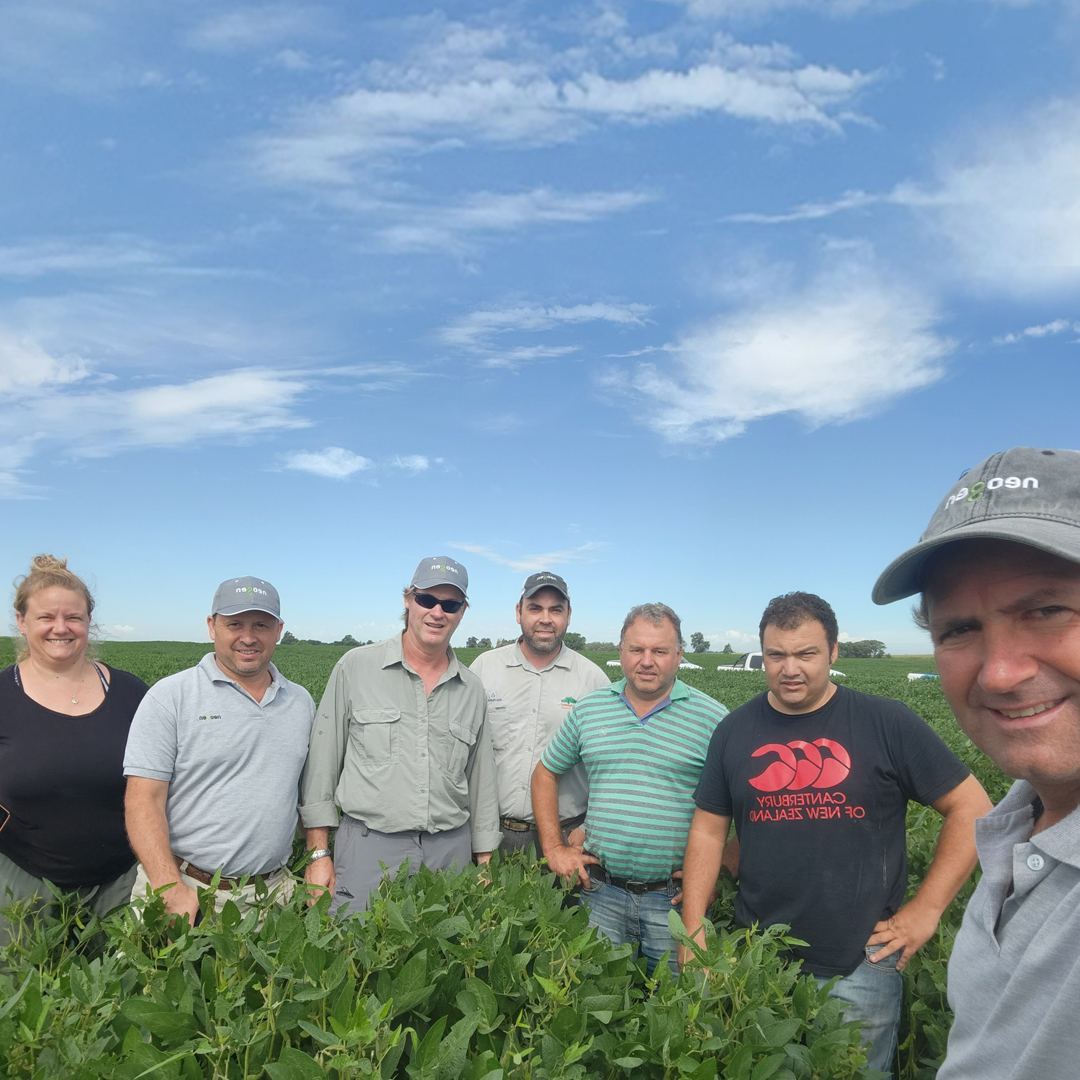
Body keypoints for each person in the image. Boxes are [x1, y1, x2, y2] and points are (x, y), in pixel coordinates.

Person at [681, 591, 991, 1076]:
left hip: (861, 959)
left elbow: (972, 807)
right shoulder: (734, 731)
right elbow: (707, 831)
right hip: (760, 956)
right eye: (777, 655)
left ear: (834, 651)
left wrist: (926, 910)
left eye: (806, 653)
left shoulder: (886, 722)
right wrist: (695, 925)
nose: (790, 669)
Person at [872, 446, 1080, 1079]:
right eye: (958, 630)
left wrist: (925, 907)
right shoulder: (1018, 826)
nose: (1000, 672)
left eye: (1045, 611)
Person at [532, 602, 729, 974]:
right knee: (595, 1008)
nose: (647, 660)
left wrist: (720, 874)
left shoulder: (713, 719)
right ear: (620, 651)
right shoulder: (590, 710)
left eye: (660, 651)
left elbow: (747, 807)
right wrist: (554, 847)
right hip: (599, 895)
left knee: (679, 1014)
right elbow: (545, 772)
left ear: (679, 655)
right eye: (637, 649)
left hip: (673, 904)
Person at [300, 557, 501, 914]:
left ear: (462, 612)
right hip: (368, 847)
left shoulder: (471, 688)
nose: (438, 612)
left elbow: (482, 780)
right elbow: (322, 764)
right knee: (356, 955)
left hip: (449, 851)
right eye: (427, 600)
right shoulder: (355, 667)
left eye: (451, 604)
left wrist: (484, 861)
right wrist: (318, 853)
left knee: (442, 961)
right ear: (408, 599)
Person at [124, 576, 314, 922]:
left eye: (261, 624)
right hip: (184, 887)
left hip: (272, 895)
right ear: (212, 626)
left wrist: (317, 857)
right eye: (234, 624)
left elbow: (307, 793)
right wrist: (169, 888)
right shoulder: (171, 696)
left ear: (279, 630)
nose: (248, 636)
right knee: (155, 975)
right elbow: (142, 800)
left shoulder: (300, 702)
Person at [0, 555, 148, 945]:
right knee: (25, 996)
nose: (61, 628)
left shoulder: (133, 694)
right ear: (22, 622)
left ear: (88, 622)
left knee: (116, 996)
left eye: (74, 618)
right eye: (46, 617)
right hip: (23, 882)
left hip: (120, 880)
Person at [470, 572, 609, 854]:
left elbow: (609, 768)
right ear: (519, 612)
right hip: (490, 835)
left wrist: (586, 830)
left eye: (555, 610)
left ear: (568, 616)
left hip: (566, 835)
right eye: (535, 608)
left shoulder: (593, 681)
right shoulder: (485, 669)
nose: (545, 618)